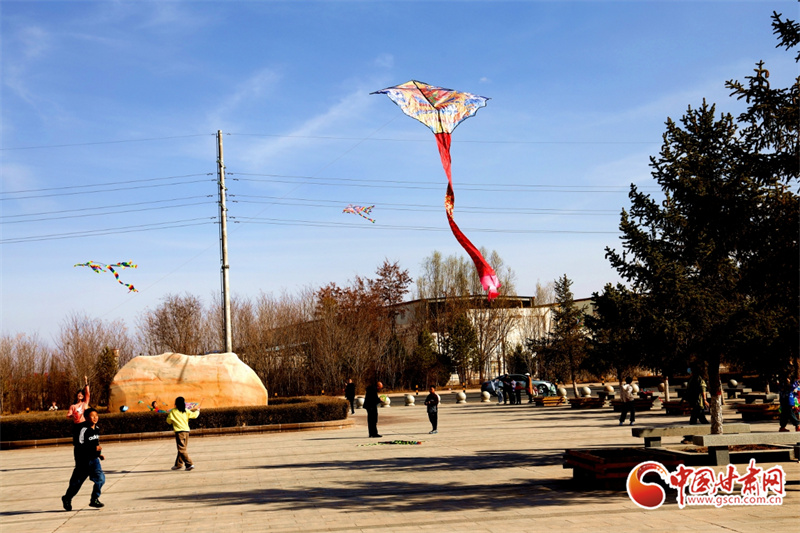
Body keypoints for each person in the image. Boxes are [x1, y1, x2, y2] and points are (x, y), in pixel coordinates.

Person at [62, 408, 105, 510]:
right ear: (86, 418)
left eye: (96, 416)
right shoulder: (82, 429)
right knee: (76, 484)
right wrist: (93, 448)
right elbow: (78, 445)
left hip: (94, 460)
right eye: (92, 416)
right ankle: (67, 498)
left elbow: (95, 443)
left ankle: (94, 499)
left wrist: (99, 454)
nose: (95, 418)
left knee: (100, 479)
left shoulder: (96, 428)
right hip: (83, 461)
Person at [166, 396, 200, 470]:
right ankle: (178, 464)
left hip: (179, 432)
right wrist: (197, 411)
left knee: (181, 449)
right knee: (182, 448)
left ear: (176, 403)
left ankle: (189, 464)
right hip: (186, 431)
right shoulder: (186, 411)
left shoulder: (173, 411)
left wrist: (172, 420)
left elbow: (168, 421)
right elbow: (194, 415)